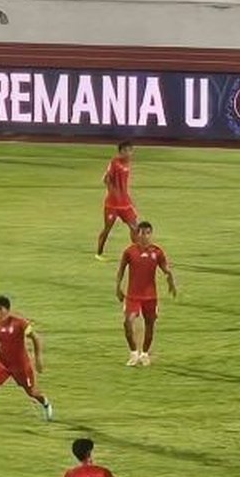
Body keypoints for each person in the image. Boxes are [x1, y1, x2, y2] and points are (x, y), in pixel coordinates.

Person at [0, 295, 53, 425]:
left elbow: (36, 338)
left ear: (8, 310)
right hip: (3, 364)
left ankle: (46, 404)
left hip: (21, 366)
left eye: (0, 309)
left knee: (32, 392)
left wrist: (38, 359)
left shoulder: (20, 323)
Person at [115, 221, 178, 366]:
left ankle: (144, 354)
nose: (145, 236)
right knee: (128, 322)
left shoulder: (157, 252)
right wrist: (118, 288)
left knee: (150, 325)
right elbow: (121, 271)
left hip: (150, 297)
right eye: (142, 233)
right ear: (137, 234)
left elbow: (166, 269)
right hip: (132, 296)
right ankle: (133, 353)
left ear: (151, 234)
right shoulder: (129, 252)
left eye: (148, 233)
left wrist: (171, 283)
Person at [96, 140, 140, 261]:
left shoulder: (128, 163)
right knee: (107, 229)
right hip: (112, 204)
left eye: (130, 150)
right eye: (125, 150)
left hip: (125, 202)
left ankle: (137, 252)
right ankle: (99, 253)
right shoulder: (115, 162)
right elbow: (106, 179)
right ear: (120, 151)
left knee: (135, 227)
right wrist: (113, 193)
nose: (128, 153)